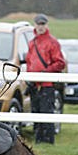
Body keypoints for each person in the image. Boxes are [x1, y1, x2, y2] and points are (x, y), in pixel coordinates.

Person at [26, 14, 65, 144]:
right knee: (35, 112)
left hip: (47, 85)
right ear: (35, 25)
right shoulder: (32, 43)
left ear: (46, 25)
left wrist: (45, 72)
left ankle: (48, 141)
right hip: (34, 85)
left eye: (43, 24)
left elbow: (60, 63)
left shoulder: (52, 42)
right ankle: (38, 139)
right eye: (38, 24)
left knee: (46, 112)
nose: (40, 27)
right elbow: (29, 62)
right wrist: (28, 78)